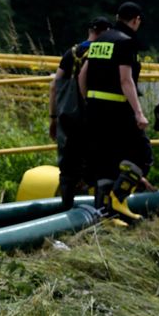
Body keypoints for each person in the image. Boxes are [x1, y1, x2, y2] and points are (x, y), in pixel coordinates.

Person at [78, 1, 151, 219]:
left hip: (94, 109)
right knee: (142, 156)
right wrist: (138, 112)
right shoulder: (126, 42)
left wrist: (88, 102)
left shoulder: (100, 40)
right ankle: (119, 198)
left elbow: (83, 76)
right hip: (117, 109)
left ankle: (105, 214)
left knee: (105, 162)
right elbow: (125, 80)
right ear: (136, 20)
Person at [49, 16, 111, 209]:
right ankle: (99, 211)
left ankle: (66, 209)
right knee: (99, 164)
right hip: (95, 117)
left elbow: (54, 85)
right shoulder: (105, 53)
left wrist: (53, 117)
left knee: (68, 166)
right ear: (105, 32)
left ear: (90, 30)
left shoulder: (72, 53)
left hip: (69, 118)